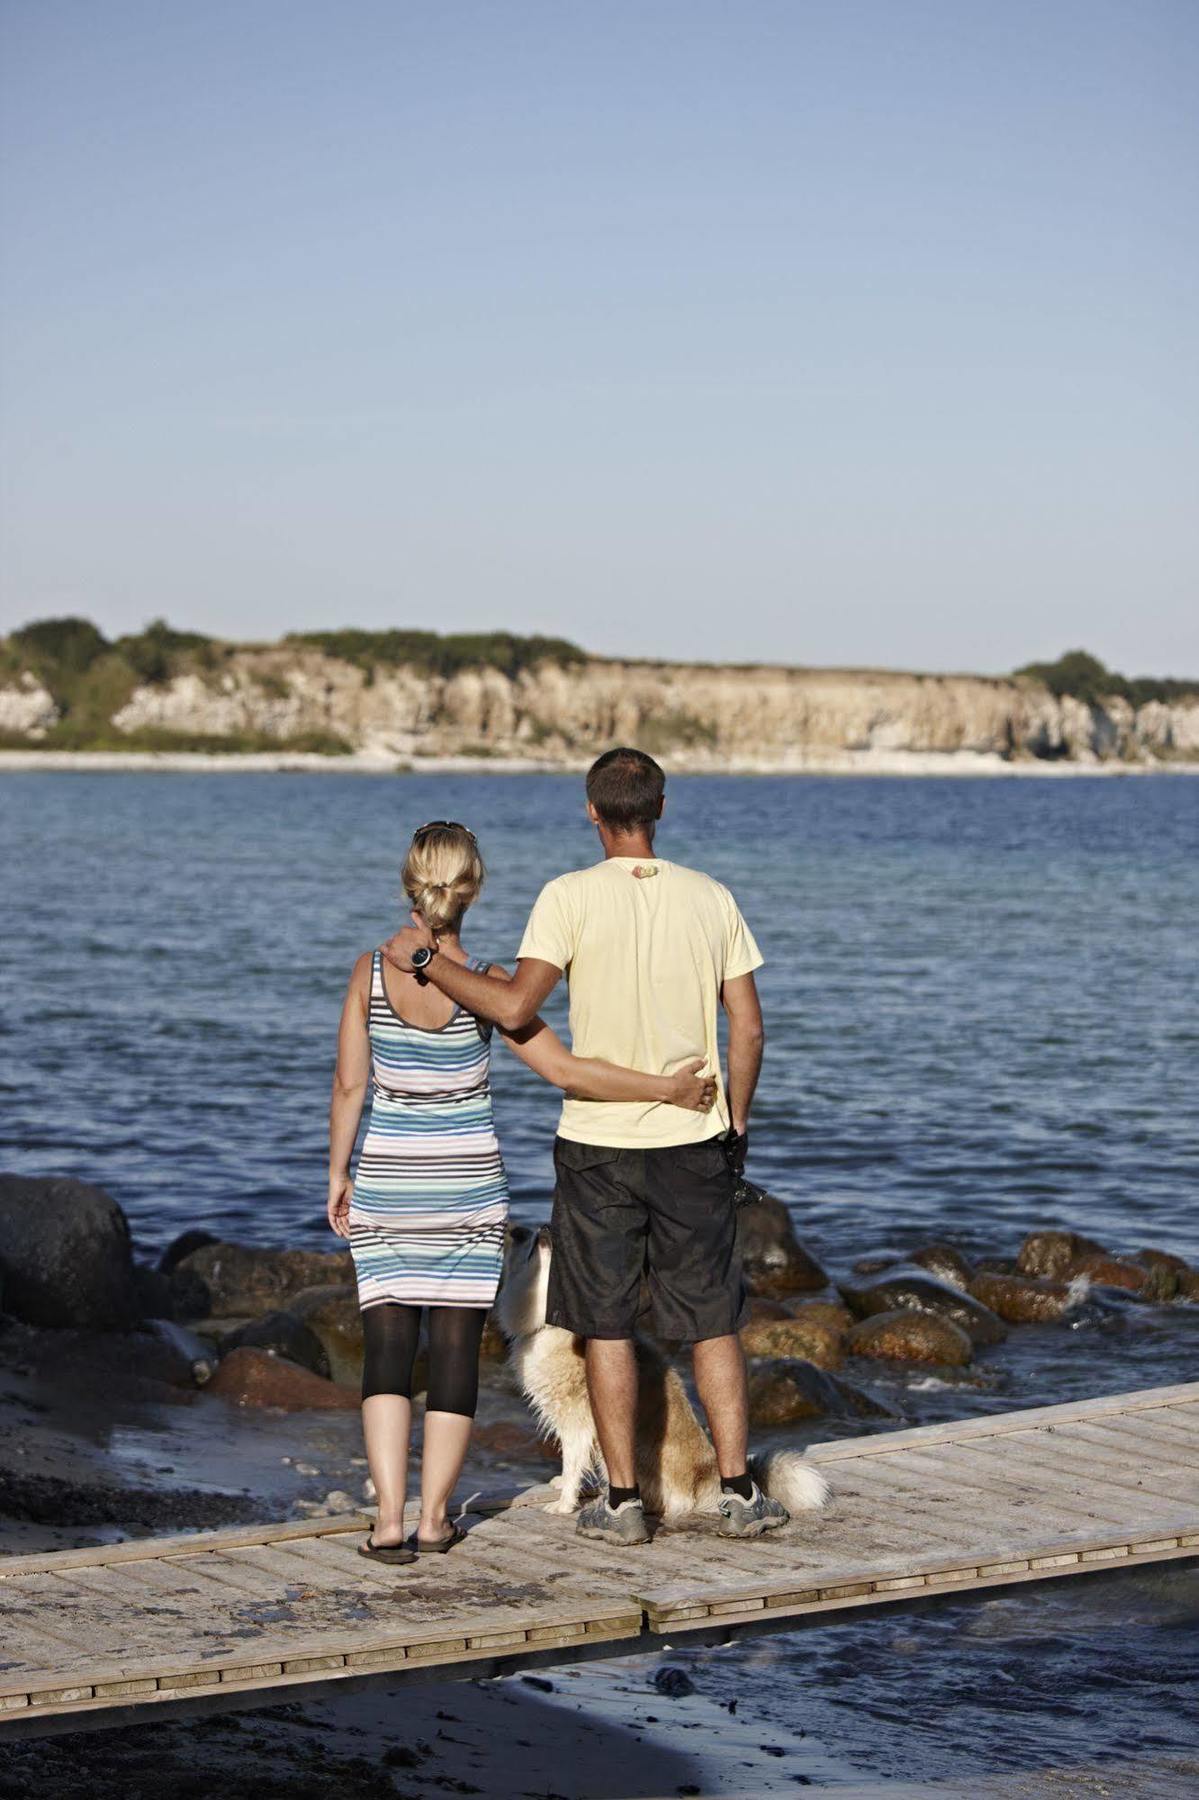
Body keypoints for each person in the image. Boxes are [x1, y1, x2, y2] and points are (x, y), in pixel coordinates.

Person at [384, 750, 778, 1546]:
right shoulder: (710, 897)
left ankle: (623, 1503)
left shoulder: (566, 896)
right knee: (711, 1323)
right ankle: (738, 1493)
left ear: (591, 812)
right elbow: (749, 1023)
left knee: (601, 1323)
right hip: (693, 1140)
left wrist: (428, 961)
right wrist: (736, 1117)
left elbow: (518, 1004)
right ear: (660, 807)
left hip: (596, 1143)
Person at [330, 818, 715, 1564]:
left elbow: (350, 1085)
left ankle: (386, 1523)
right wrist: (664, 1089)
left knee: (385, 1353)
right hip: (468, 1188)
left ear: (409, 884)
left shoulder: (368, 973)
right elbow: (568, 1071)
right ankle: (437, 1520)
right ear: (471, 891)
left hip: (388, 1181)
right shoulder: (492, 989)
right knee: (451, 1357)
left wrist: (338, 1173)